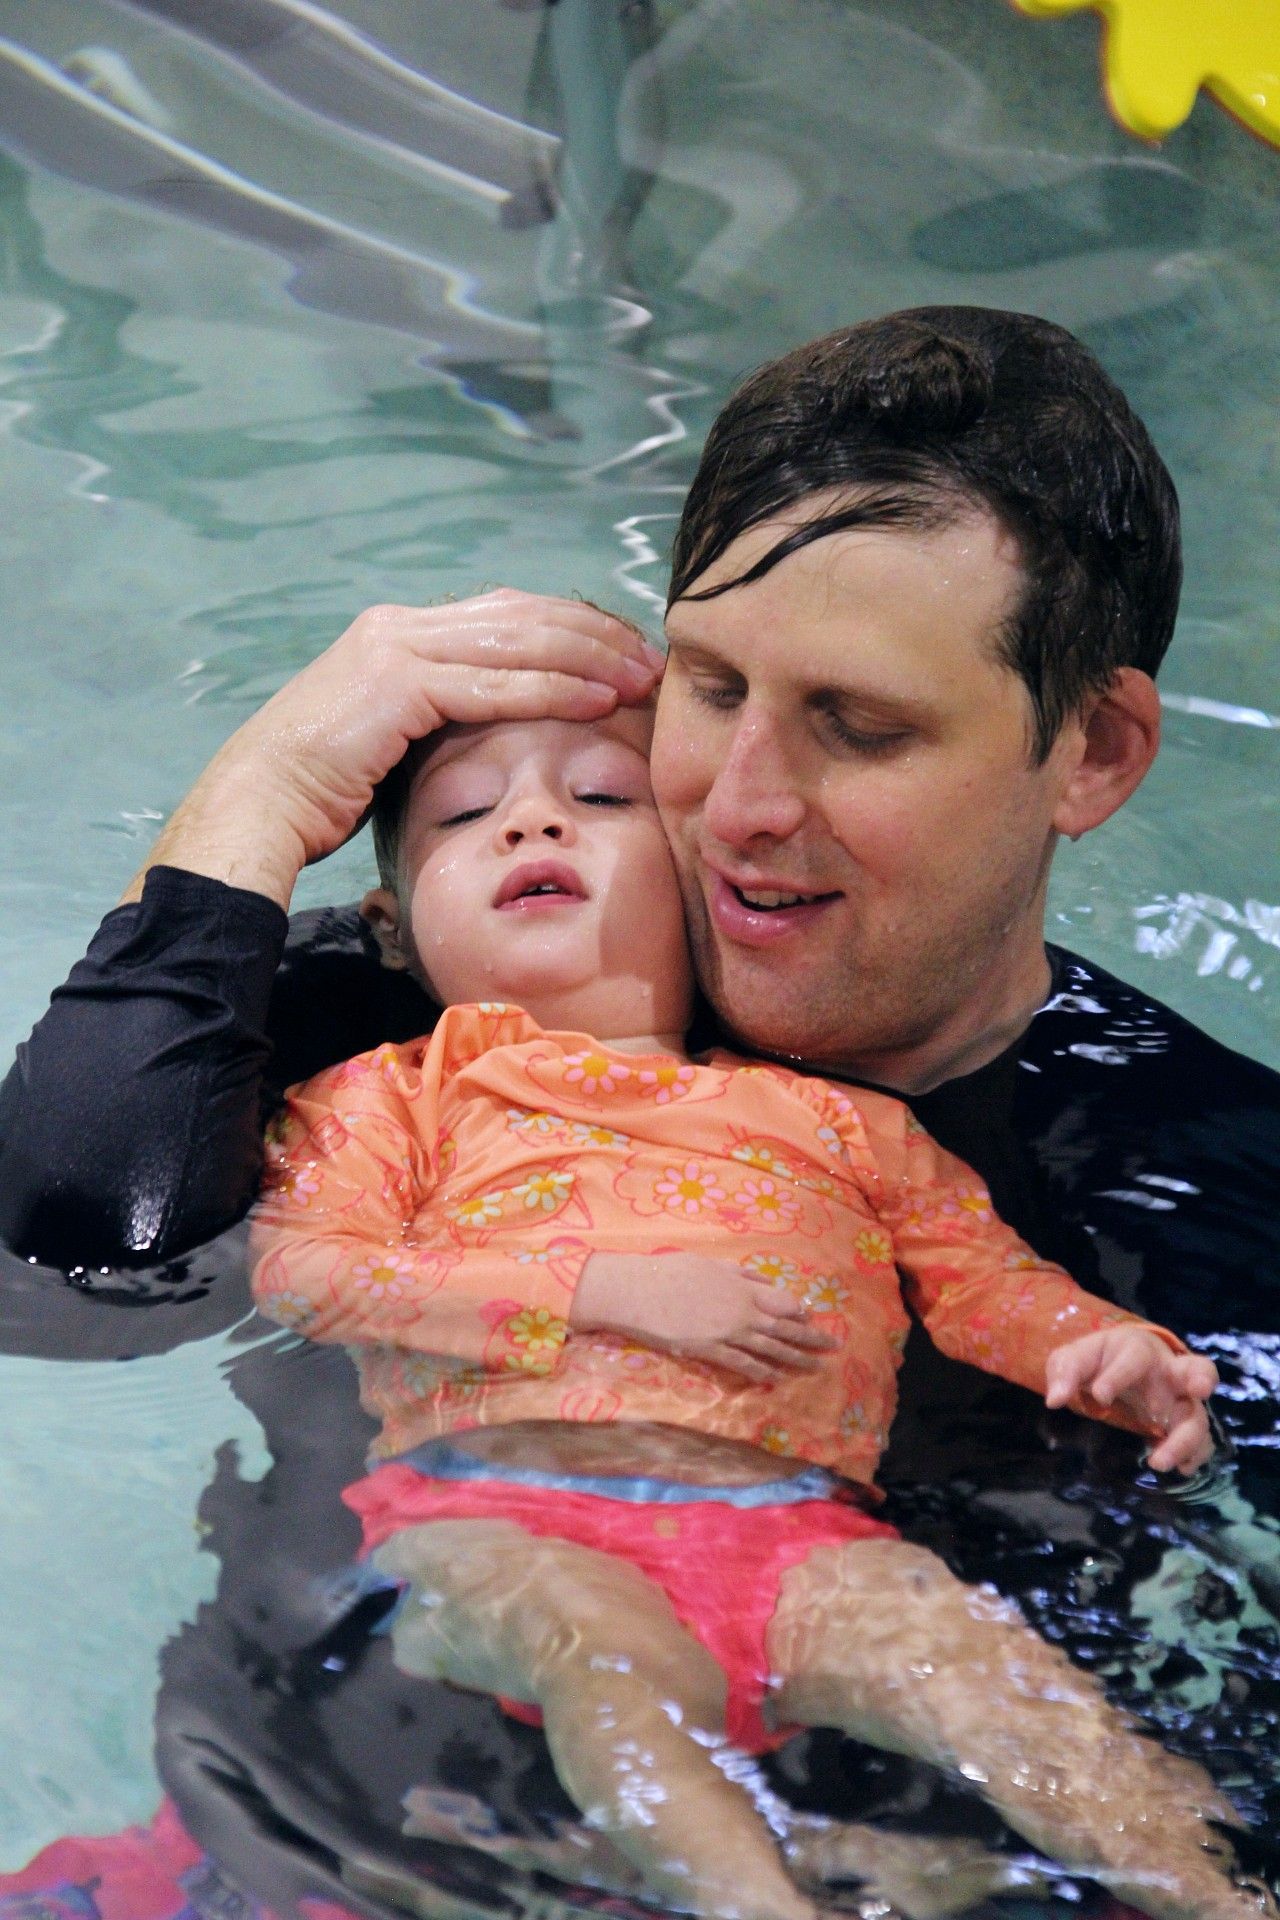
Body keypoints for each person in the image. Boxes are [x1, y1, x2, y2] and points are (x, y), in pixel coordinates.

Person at [1, 306, 1278, 1910]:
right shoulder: (441, 1012)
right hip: (289, 1841)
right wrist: (257, 801)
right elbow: (63, 1280)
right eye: (711, 686)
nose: (735, 811)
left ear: (1089, 752)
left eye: (858, 725)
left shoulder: (1207, 1200)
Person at [247, 699, 1258, 1920]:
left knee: (1010, 1689)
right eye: (469, 817)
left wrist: (1101, 1347)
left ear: (702, 881)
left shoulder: (842, 1122)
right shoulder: (394, 1099)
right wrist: (601, 1291)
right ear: (395, 933)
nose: (533, 821)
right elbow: (308, 1272)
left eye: (603, 800)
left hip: (795, 1538)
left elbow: (986, 1280)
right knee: (607, 1666)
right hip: (502, 1513)